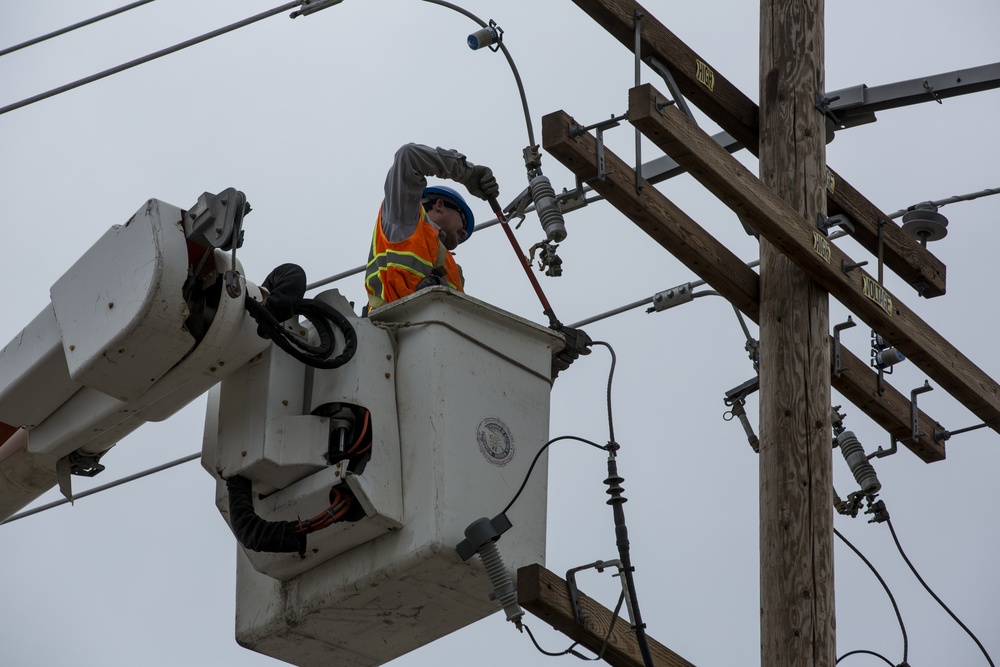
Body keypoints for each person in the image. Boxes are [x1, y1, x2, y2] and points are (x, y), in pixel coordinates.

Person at [365, 142, 499, 311]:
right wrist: (468, 174)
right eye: (463, 220)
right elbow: (408, 156)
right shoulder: (404, 218)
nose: (464, 232)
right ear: (440, 205)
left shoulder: (452, 268)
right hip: (394, 325)